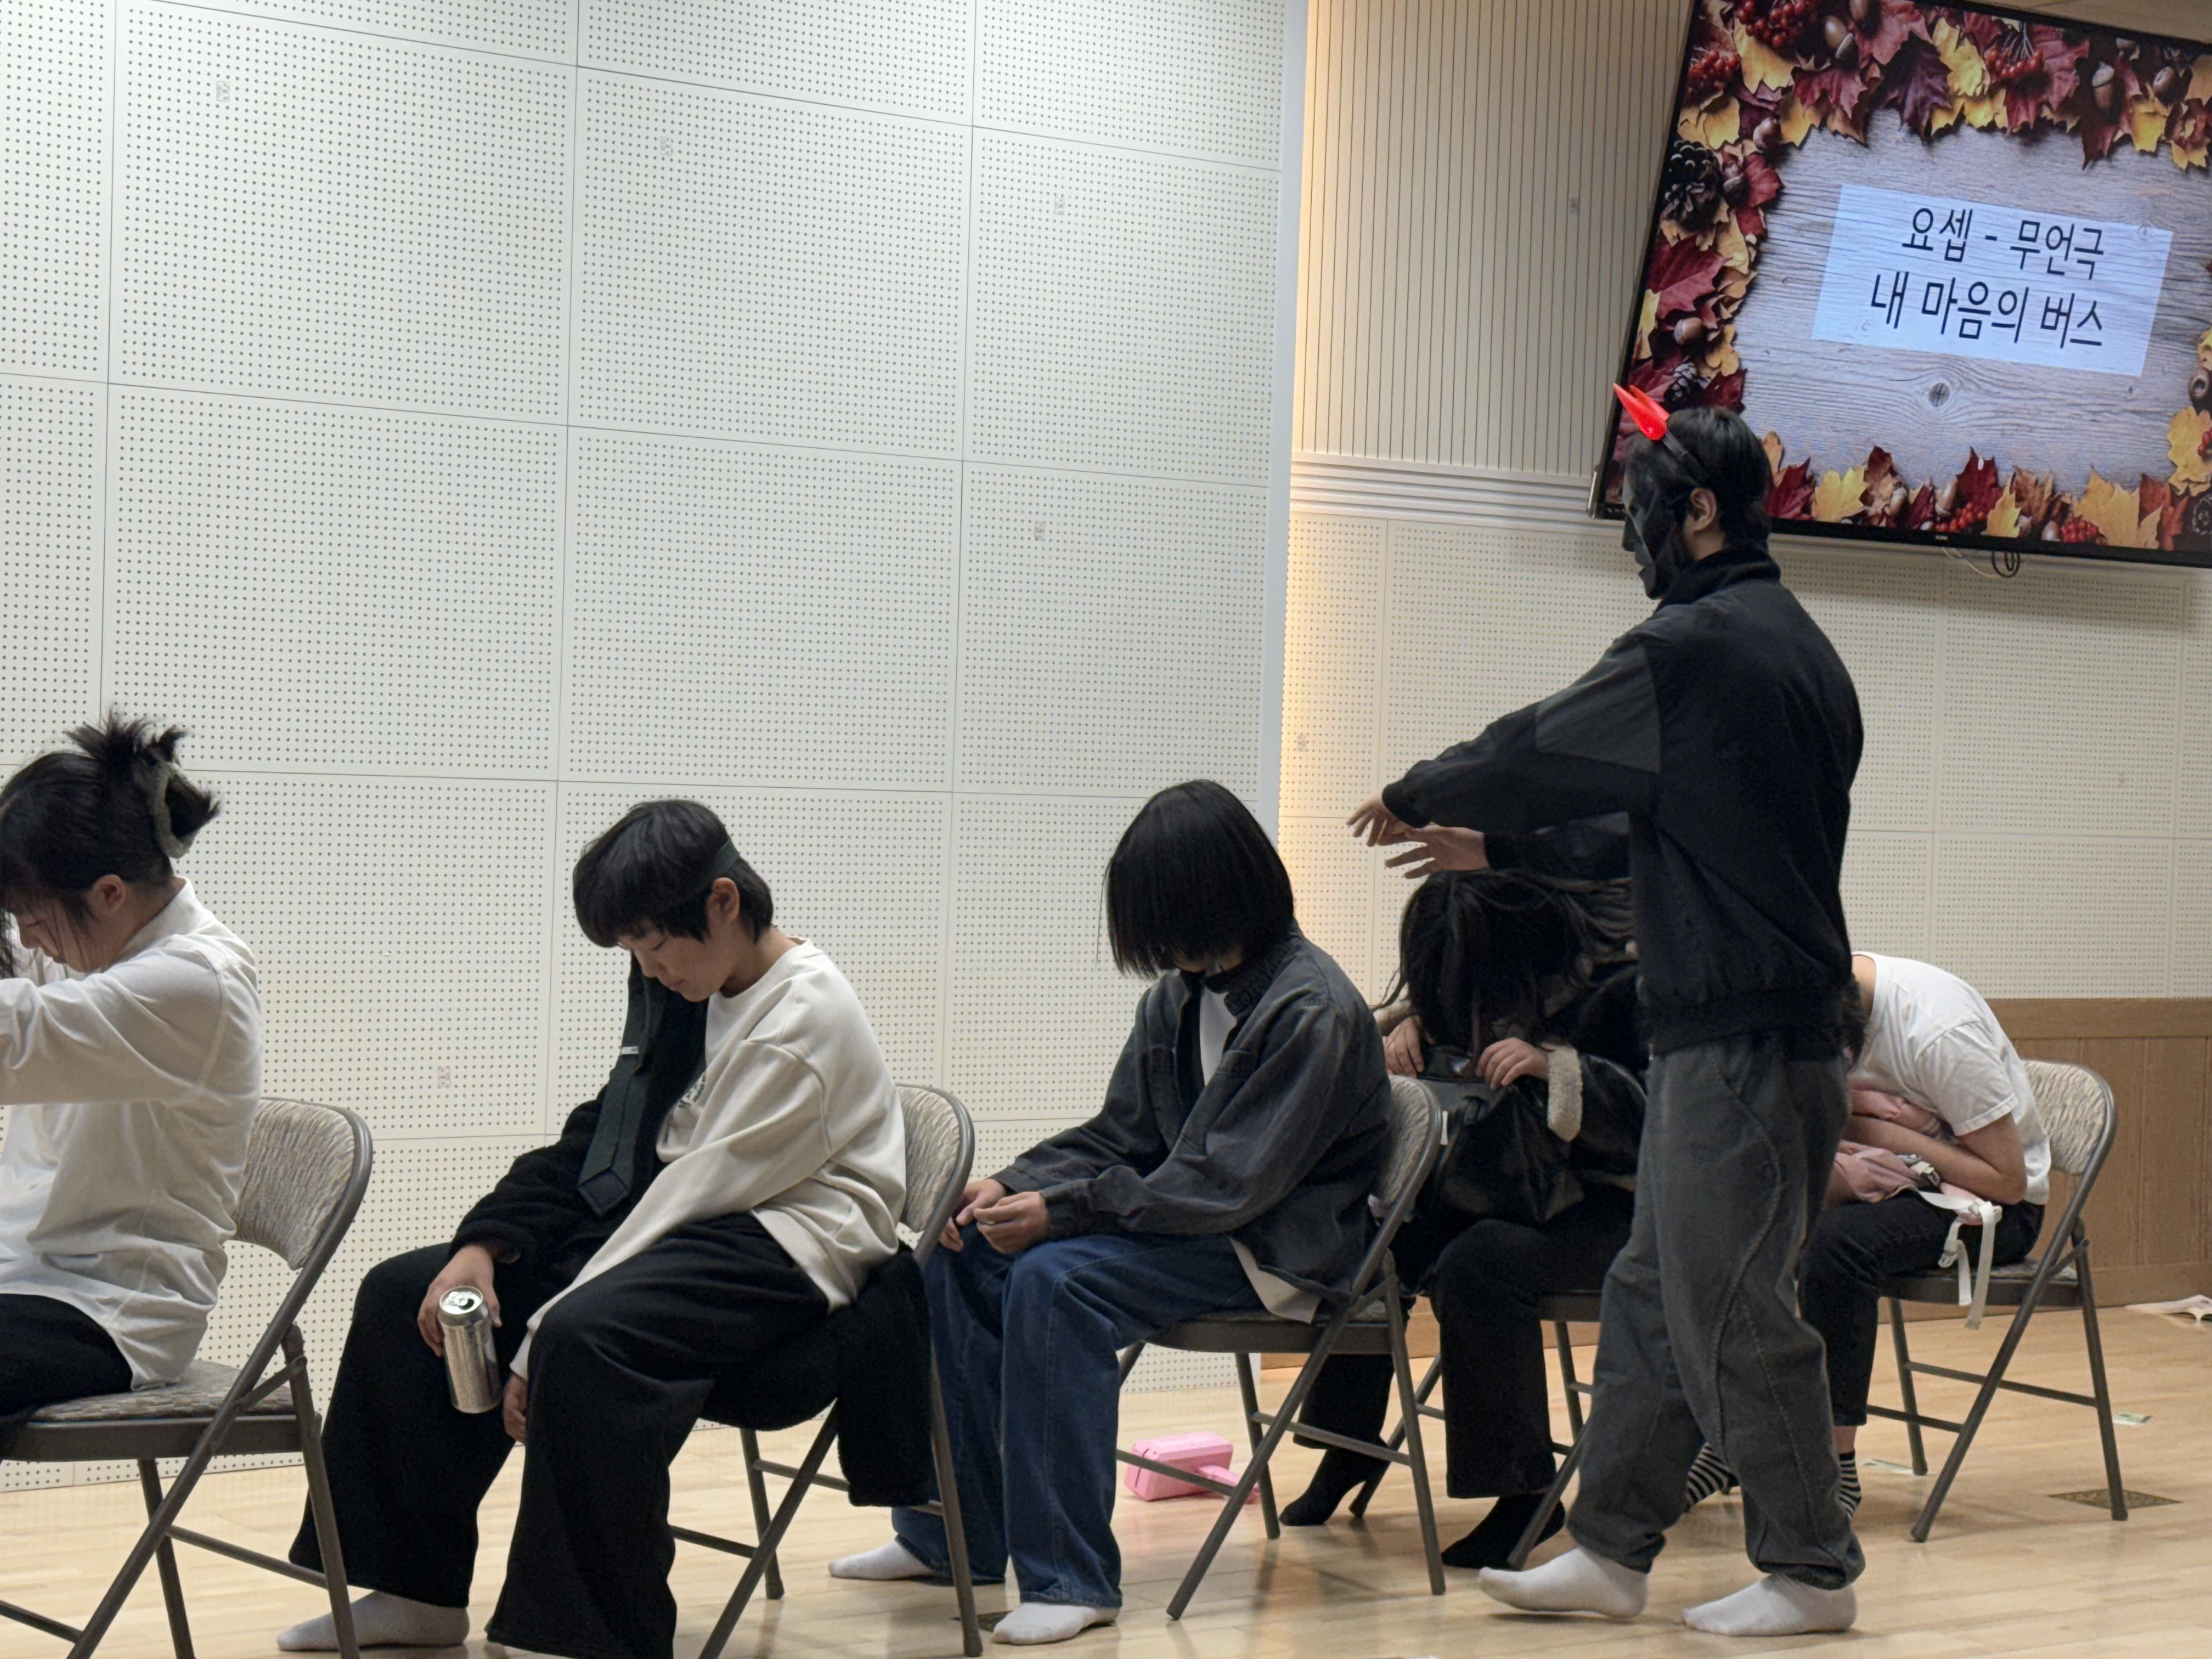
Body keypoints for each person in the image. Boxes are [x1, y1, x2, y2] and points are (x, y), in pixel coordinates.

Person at [1349, 395, 1866, 1637]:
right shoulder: (1797, 648)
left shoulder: (1695, 646)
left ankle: (1811, 1567)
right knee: (1650, 1289)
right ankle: (1610, 1548)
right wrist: (1499, 847)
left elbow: (1542, 745)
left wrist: (1421, 787)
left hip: (1742, 1041)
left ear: (1698, 509)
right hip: (1752, 1034)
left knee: (1733, 1305)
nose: (1632, 535)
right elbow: (1662, 826)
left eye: (1643, 509)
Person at [278, 801, 906, 1659]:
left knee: (583, 1337)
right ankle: (414, 1591)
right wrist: (484, 1245)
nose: (648, 970)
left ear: (724, 902)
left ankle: (592, 1636)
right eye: (633, 952)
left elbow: (694, 1191)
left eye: (655, 945)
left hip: (794, 1239)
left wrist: (537, 1336)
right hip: (695, 1211)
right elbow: (611, 1134)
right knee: (406, 1296)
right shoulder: (693, 989)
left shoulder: (801, 1022)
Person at [830, 780, 1389, 1646]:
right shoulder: (1179, 995)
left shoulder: (1312, 1010)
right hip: (1196, 1224)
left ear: (1219, 898)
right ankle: (950, 1538)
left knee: (1060, 1282)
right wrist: (1011, 1184)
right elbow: (1121, 1135)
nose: (1161, 947)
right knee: (958, 1256)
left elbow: (1227, 1188)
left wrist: (1061, 1213)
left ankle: (1071, 1577)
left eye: (1167, 923)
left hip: (1277, 1252)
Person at [1281, 867, 1647, 1571]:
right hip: (1511, 1189)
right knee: (1369, 1244)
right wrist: (1405, 1031)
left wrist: (1556, 1069)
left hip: (1620, 1212)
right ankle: (1346, 1445)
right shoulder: (1479, 977)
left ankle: (1525, 1494)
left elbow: (1661, 1122)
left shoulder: (1619, 987)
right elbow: (1444, 1035)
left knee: (1480, 1264)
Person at [1683, 951, 2050, 1515]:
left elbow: (2008, 1181)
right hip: (1889, 1174)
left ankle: (1834, 1463)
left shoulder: (1939, 1035)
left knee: (1837, 1245)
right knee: (1738, 1221)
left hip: (1990, 1207)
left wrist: (1878, 1132)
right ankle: (1733, 1434)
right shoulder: (1810, 998)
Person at [0, 718, 255, 1441]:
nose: (26, 939)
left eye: (32, 918)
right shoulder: (88, 941)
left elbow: (16, 1036)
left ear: (109, 893)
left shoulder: (197, 981)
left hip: (106, 1307)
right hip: (22, 1275)